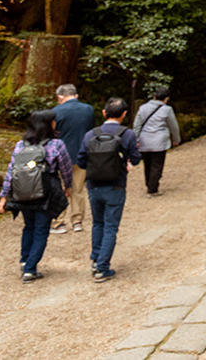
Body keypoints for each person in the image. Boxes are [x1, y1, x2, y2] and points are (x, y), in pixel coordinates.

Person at [0, 110, 72, 282]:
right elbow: (66, 169)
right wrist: (68, 187)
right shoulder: (56, 144)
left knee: (28, 227)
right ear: (49, 124)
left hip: (23, 193)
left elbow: (11, 172)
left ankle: (25, 261)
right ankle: (30, 269)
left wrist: (4, 196)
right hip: (45, 194)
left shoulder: (20, 145)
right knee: (41, 230)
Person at [79, 97, 141, 282]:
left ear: (104, 113)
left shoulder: (90, 134)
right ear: (124, 114)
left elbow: (81, 161)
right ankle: (102, 268)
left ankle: (96, 259)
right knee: (111, 227)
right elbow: (137, 159)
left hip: (93, 186)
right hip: (116, 185)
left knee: (98, 224)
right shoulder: (127, 134)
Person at [50, 84, 95, 234]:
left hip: (61, 156)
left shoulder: (55, 112)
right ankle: (77, 221)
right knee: (78, 188)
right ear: (75, 95)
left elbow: (52, 134)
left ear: (60, 97)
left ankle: (59, 221)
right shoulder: (88, 109)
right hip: (82, 153)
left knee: (60, 188)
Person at [133, 86, 181, 195]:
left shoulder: (142, 108)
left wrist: (136, 139)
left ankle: (149, 184)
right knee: (157, 165)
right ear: (166, 98)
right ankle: (153, 188)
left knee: (147, 164)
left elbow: (137, 125)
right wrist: (176, 139)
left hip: (144, 139)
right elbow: (173, 126)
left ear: (154, 96)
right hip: (160, 140)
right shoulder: (167, 109)